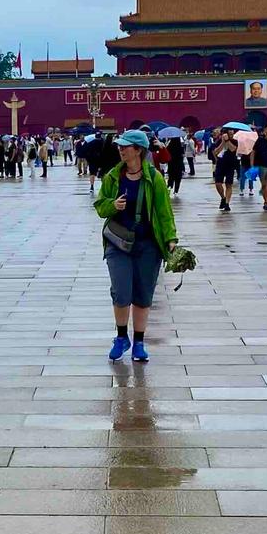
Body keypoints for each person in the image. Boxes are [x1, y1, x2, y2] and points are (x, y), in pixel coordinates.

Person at [93, 129, 176, 363]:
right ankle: (121, 337)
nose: (120, 149)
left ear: (138, 150)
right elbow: (100, 206)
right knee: (121, 292)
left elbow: (164, 212)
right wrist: (112, 206)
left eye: (125, 146)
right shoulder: (112, 177)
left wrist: (170, 239)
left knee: (143, 294)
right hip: (117, 243)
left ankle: (139, 341)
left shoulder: (154, 178)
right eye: (119, 146)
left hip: (147, 245)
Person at [211, 129, 238, 212]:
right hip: (220, 164)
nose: (231, 135)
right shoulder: (218, 141)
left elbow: (233, 149)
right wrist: (223, 142)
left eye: (232, 134)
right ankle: (223, 197)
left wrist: (227, 141)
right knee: (218, 183)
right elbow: (215, 152)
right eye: (229, 134)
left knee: (228, 184)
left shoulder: (234, 141)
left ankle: (227, 203)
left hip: (230, 165)